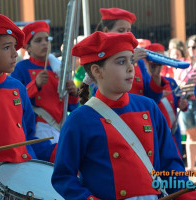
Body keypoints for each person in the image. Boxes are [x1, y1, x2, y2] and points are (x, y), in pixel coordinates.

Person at [52, 31, 196, 200]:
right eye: (121, 61)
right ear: (97, 71)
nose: (130, 67)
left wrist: (188, 196)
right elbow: (63, 177)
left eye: (131, 60)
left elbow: (171, 166)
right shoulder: (79, 120)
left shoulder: (148, 107)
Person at [0, 14, 57, 165]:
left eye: (14, 46)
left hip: (23, 171)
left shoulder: (17, 87)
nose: (14, 54)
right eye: (6, 47)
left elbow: (29, 137)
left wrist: (60, 152)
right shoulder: (22, 71)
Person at [11, 21, 79, 143]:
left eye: (47, 39)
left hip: (63, 126)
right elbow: (14, 101)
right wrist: (35, 85)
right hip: (38, 128)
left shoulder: (60, 68)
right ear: (28, 47)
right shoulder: (20, 68)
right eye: (38, 40)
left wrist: (73, 94)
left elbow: (70, 106)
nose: (44, 43)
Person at [94, 7, 165, 103]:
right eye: (121, 30)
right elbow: (98, 95)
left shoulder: (138, 61)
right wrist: (130, 61)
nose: (127, 35)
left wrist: (156, 76)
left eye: (129, 31)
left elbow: (152, 99)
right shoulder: (96, 58)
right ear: (106, 31)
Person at [145, 43, 189, 157]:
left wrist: (183, 104)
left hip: (174, 130)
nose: (159, 64)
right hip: (158, 130)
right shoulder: (145, 83)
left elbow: (179, 100)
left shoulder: (170, 81)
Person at [178, 35, 196, 171]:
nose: (191, 50)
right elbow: (178, 82)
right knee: (190, 135)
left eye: (194, 47)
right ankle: (190, 167)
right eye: (189, 47)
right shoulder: (184, 65)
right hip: (186, 104)